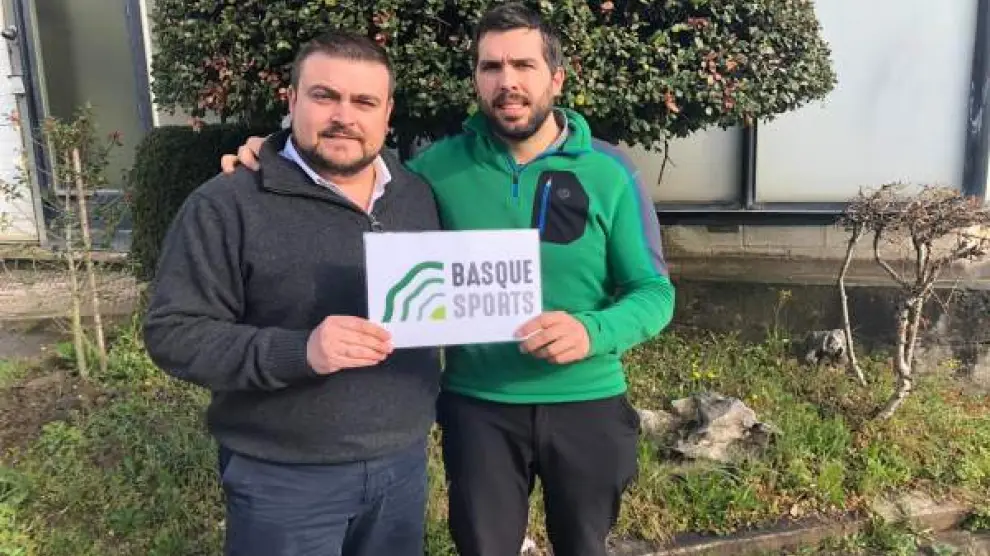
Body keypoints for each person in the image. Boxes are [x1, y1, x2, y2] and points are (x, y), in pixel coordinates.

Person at [221, 4, 676, 555]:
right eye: (491, 67)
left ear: (556, 78)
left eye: (523, 65)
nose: (507, 81)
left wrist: (591, 332)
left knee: (585, 545)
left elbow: (654, 292)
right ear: (476, 79)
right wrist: (273, 153)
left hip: (589, 402)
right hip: (477, 408)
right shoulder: (433, 170)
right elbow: (348, 169)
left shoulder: (611, 172)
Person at [143, 31, 442, 556]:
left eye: (364, 102)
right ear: (292, 99)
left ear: (387, 113)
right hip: (283, 478)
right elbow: (174, 332)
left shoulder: (417, 195)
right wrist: (300, 351)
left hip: (401, 465)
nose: (344, 117)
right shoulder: (227, 204)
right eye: (325, 96)